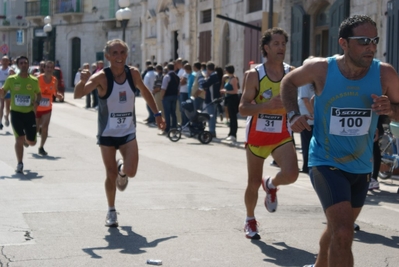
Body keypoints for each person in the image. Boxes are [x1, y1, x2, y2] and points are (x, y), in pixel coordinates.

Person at [280, 15, 399, 267]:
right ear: (343, 43)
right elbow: (288, 82)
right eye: (363, 41)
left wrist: (391, 109)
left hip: (361, 166)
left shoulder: (384, 73)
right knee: (345, 231)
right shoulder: (321, 69)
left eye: (374, 40)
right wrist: (292, 114)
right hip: (325, 161)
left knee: (337, 229)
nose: (371, 46)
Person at [74, 39, 165, 227]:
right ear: (107, 56)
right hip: (107, 133)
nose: (119, 57)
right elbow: (78, 94)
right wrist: (82, 82)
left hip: (128, 132)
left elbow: (146, 92)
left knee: (130, 172)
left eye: (122, 52)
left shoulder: (133, 74)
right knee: (110, 174)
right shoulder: (101, 77)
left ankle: (122, 170)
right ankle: (111, 211)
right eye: (114, 53)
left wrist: (157, 114)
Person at [239, 27, 298, 240]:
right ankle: (250, 219)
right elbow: (243, 108)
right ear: (266, 47)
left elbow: (298, 101)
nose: (281, 47)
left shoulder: (291, 73)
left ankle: (271, 184)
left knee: (292, 174)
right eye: (276, 44)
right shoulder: (254, 75)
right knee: (253, 181)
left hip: (281, 134)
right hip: (257, 134)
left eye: (283, 44)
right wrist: (267, 106)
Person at [0, 56, 41, 173]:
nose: (23, 64)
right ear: (18, 65)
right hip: (16, 113)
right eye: (21, 63)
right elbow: (3, 94)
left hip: (29, 114)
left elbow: (39, 94)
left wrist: (37, 103)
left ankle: (26, 141)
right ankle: (20, 163)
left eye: (25, 63)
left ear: (28, 65)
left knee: (32, 143)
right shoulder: (11, 79)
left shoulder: (34, 80)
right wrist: (1, 92)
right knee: (19, 138)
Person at [36, 60, 64, 156]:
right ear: (44, 68)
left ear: (53, 69)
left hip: (47, 108)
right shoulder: (38, 79)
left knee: (45, 127)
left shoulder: (54, 80)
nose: (49, 69)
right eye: (47, 67)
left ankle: (41, 147)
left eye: (51, 67)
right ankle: (29, 139)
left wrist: (58, 95)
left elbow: (55, 92)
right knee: (35, 128)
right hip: (36, 107)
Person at [297, 57, 315, 174]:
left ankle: (311, 165)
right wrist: (313, 113)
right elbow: (305, 99)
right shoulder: (305, 81)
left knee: (311, 143)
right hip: (307, 117)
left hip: (313, 117)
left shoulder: (313, 80)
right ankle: (306, 166)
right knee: (307, 142)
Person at [201, 61, 221, 138]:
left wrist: (205, 78)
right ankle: (212, 131)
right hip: (214, 98)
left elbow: (204, 85)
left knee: (211, 116)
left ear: (208, 69)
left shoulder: (212, 77)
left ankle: (212, 132)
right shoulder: (215, 76)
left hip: (211, 99)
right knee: (213, 116)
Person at [220, 64, 240, 142]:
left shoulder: (233, 79)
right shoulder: (229, 78)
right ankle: (230, 133)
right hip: (228, 98)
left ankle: (233, 134)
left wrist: (226, 91)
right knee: (231, 117)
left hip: (233, 98)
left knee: (233, 117)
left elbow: (235, 91)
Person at [160, 63, 180, 135]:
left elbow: (163, 88)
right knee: (173, 113)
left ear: (168, 68)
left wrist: (161, 97)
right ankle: (174, 128)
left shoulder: (167, 76)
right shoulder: (177, 77)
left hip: (167, 96)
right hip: (174, 96)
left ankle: (167, 129)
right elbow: (178, 89)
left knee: (167, 113)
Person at [0, 56, 13, 130]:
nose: (5, 62)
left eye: (6, 61)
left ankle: (6, 116)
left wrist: (12, 73)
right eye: (3, 60)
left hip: (8, 91)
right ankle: (0, 122)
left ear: (8, 62)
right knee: (1, 106)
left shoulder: (10, 70)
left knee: (7, 107)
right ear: (1, 61)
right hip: (1, 90)